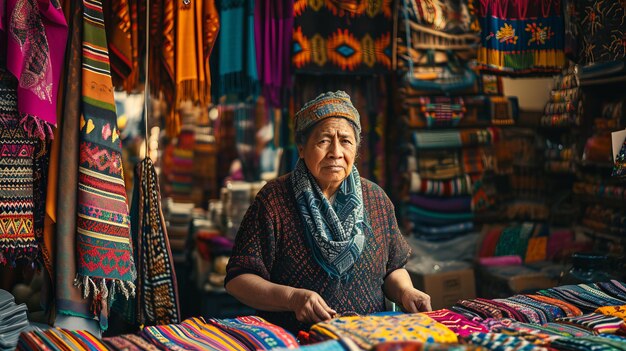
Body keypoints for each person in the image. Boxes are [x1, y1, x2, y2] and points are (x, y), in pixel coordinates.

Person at [225, 91, 431, 333]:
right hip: (295, 341)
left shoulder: (376, 199)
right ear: (301, 148)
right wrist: (292, 298)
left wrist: (406, 291)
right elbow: (238, 280)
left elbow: (392, 269)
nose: (336, 152)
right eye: (323, 141)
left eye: (345, 141)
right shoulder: (273, 200)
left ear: (356, 148)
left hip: (366, 339)